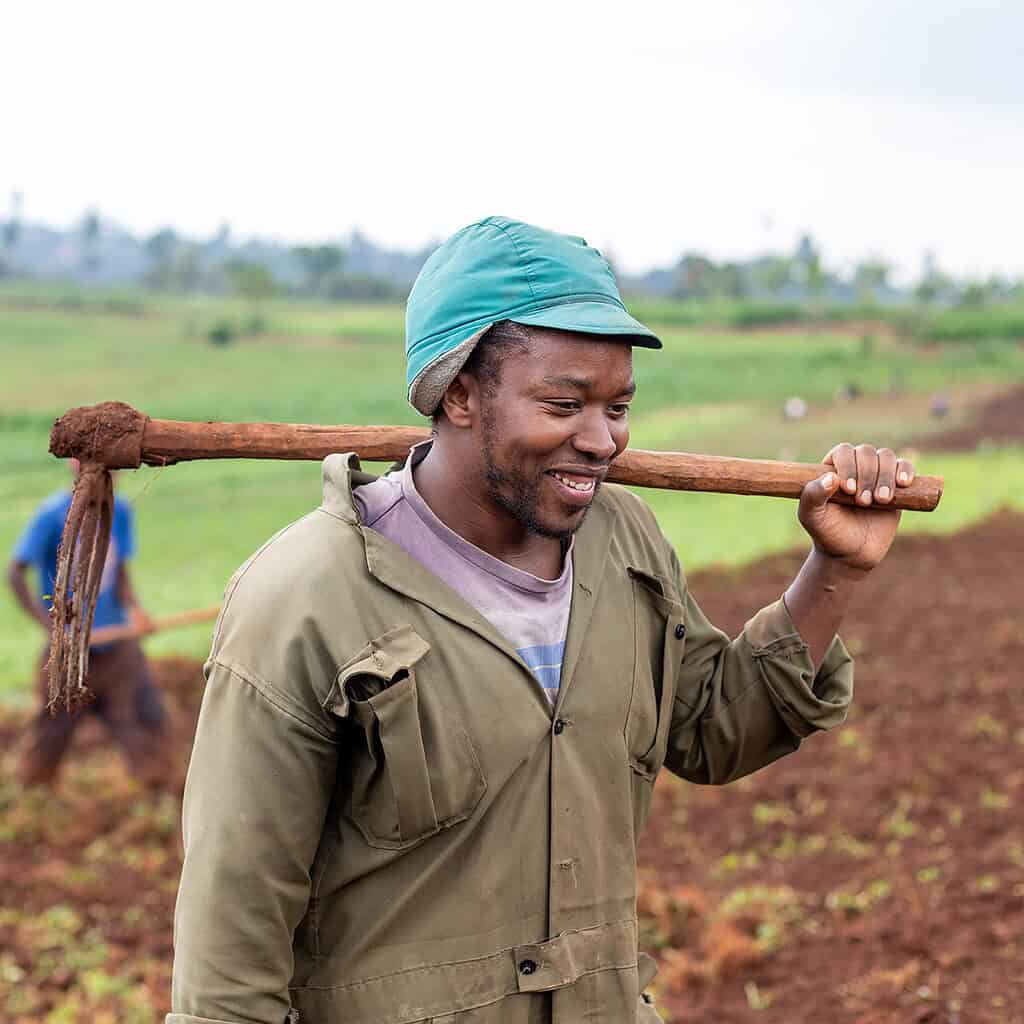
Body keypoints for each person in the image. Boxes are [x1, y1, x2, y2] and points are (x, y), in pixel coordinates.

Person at [169, 216, 916, 1024]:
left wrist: (834, 569)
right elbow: (231, 932)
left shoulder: (622, 543)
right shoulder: (309, 594)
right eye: (563, 404)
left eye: (618, 406)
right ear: (458, 393)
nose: (602, 441)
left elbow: (712, 729)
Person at [8, 458, 169, 787]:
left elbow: (119, 571)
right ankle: (31, 794)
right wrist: (52, 627)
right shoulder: (53, 515)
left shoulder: (120, 512)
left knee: (141, 719)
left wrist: (136, 610)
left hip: (117, 647)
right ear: (79, 476)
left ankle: (161, 792)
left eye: (114, 474)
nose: (110, 482)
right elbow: (15, 573)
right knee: (52, 730)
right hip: (68, 653)